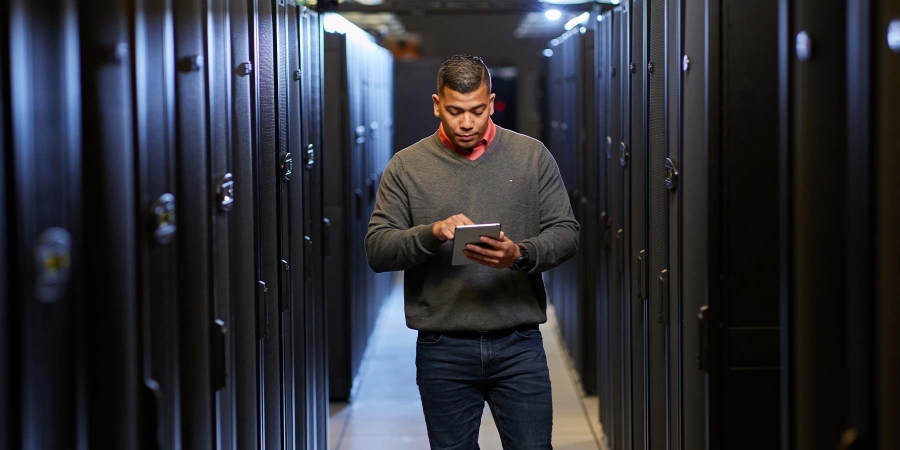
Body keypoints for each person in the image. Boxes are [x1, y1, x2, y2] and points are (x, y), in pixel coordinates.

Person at [365, 54, 579, 450]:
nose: (467, 123)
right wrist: (432, 232)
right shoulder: (406, 167)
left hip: (518, 343)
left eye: (478, 110)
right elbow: (378, 249)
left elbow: (566, 233)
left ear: (492, 102)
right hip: (442, 346)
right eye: (455, 111)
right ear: (436, 105)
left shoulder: (531, 156)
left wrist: (520, 253)